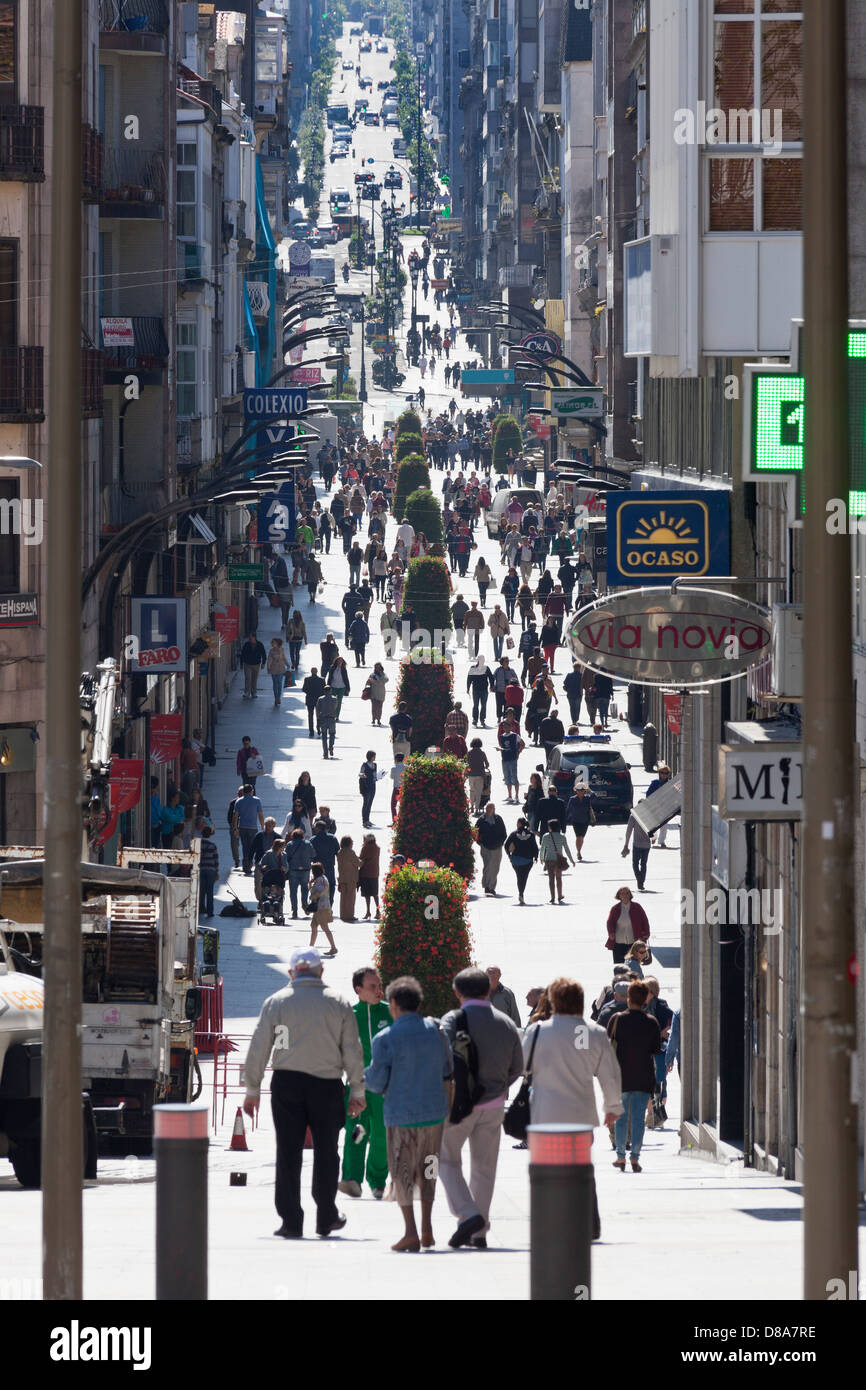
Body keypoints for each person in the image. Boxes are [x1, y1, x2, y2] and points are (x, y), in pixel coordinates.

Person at [242, 948, 364, 1239]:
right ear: (321, 971)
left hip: (287, 1084)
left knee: (288, 1152)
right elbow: (352, 1048)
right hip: (327, 1085)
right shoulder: (337, 1002)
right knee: (326, 1152)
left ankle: (291, 1221)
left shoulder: (276, 1002)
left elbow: (259, 1046)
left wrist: (252, 1088)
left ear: (291, 973)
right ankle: (326, 1217)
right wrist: (357, 1089)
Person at [523, 977, 623, 1239]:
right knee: (580, 1168)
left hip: (546, 1114)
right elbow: (609, 1074)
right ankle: (589, 1222)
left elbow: (522, 1066)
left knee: (548, 1170)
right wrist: (612, 1106)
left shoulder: (537, 1032)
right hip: (580, 1114)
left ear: (553, 1001)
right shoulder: (594, 1033)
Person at [363, 976, 454, 1252]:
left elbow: (377, 1082)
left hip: (401, 1114)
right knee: (429, 1169)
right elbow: (447, 1069)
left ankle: (411, 1232)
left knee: (402, 1170)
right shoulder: (437, 1031)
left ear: (393, 1004)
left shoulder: (385, 1038)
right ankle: (428, 1229)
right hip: (434, 1113)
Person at [438, 968, 524, 1249]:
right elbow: (518, 1067)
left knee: (445, 1157)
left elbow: (442, 1057)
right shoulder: (506, 1023)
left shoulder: (452, 1019)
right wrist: (499, 1087)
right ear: (488, 991)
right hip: (494, 1102)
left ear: (457, 993)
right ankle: (480, 1230)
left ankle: (468, 1214)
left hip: (458, 1104)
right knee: (485, 1167)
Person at [339, 967, 391, 1201]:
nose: (378, 989)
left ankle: (378, 1181)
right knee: (356, 1132)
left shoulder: (390, 1013)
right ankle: (352, 1179)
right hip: (356, 1085)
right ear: (358, 989)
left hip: (385, 1089)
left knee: (382, 1134)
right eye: (372, 986)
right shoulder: (348, 1015)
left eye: (379, 985)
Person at [608, 982, 661, 1174]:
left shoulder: (617, 1019)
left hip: (621, 1077)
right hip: (643, 1076)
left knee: (621, 1118)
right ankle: (635, 1158)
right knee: (638, 1119)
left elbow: (609, 1045)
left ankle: (621, 1155)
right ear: (645, 999)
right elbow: (655, 1049)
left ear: (629, 998)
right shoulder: (651, 1022)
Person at [605, 885, 651, 963]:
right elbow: (609, 922)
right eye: (622, 893)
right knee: (620, 966)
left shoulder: (637, 907)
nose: (624, 895)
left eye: (626, 893)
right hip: (618, 943)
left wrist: (646, 934)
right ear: (618, 896)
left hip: (634, 943)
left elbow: (645, 921)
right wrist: (611, 933)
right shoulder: (615, 908)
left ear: (630, 895)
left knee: (634, 966)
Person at [504, 817, 539, 906]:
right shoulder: (531, 835)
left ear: (519, 824)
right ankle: (521, 893)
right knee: (524, 877)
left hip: (516, 860)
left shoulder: (513, 834)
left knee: (519, 876)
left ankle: (521, 893)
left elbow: (506, 845)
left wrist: (509, 855)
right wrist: (536, 857)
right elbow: (535, 847)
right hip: (528, 860)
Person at [539, 818, 574, 904]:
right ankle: (560, 895)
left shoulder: (545, 836)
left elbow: (543, 848)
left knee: (551, 879)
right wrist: (571, 860)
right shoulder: (562, 837)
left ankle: (552, 897)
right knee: (559, 878)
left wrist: (542, 858)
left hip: (548, 860)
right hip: (558, 860)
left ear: (550, 827)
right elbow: (566, 849)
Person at [475, 803, 507, 896]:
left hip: (497, 847)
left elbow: (504, 833)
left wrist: (500, 843)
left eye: (491, 808)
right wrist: (480, 843)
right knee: (487, 866)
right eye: (488, 808)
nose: (489, 810)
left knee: (495, 867)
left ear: (494, 809)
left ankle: (491, 887)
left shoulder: (498, 819)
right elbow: (475, 832)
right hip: (485, 847)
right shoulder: (481, 820)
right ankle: (486, 886)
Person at [233, 784, 264, 874]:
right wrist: (263, 826)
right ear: (252, 791)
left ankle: (246, 866)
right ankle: (250, 864)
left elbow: (235, 816)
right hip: (252, 828)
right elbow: (260, 815)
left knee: (245, 847)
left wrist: (235, 828)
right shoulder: (257, 800)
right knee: (252, 847)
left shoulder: (239, 801)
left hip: (242, 827)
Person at [308, 863, 337, 955]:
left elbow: (320, 891)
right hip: (323, 906)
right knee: (313, 926)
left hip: (321, 907)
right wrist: (310, 884)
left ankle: (333, 947)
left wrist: (314, 896)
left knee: (325, 928)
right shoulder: (324, 878)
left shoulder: (319, 880)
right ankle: (311, 947)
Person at [565, 783, 596, 861]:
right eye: (579, 790)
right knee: (578, 837)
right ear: (576, 791)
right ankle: (578, 852)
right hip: (575, 820)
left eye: (582, 790)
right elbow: (568, 810)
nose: (581, 792)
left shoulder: (587, 798)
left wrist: (589, 790)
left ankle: (579, 850)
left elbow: (595, 796)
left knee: (582, 837)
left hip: (585, 820)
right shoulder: (572, 799)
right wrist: (565, 820)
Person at [622, 811, 653, 890]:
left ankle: (639, 879)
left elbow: (628, 831)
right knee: (644, 864)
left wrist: (626, 844)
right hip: (647, 845)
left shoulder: (633, 816)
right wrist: (654, 838)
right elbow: (654, 829)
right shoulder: (649, 816)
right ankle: (641, 881)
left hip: (637, 844)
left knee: (635, 863)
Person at [252, 816, 280, 900]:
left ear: (273, 826)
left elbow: (281, 852)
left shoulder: (277, 837)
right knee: (258, 883)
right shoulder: (259, 835)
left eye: (270, 826)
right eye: (266, 825)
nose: (268, 827)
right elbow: (252, 848)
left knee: (270, 884)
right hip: (259, 862)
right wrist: (249, 860)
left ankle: (266, 899)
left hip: (272, 864)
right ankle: (260, 899)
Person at [646, 763, 673, 847]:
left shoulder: (670, 784)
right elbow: (648, 794)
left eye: (666, 773)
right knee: (654, 824)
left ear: (668, 774)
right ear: (659, 773)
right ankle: (654, 837)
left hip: (665, 807)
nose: (664, 775)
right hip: (655, 806)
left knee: (664, 825)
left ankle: (662, 842)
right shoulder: (655, 783)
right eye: (662, 772)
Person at [497, 718, 523, 805]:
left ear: (510, 727)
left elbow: (522, 743)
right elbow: (503, 747)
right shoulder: (502, 737)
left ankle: (516, 796)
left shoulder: (515, 735)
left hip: (512, 759)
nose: (505, 728)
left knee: (514, 777)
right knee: (507, 777)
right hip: (505, 759)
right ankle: (510, 795)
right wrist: (500, 749)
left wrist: (518, 752)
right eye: (504, 727)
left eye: (507, 726)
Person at [337, 835, 361, 922]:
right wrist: (362, 860)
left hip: (342, 877)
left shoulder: (340, 852)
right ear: (349, 843)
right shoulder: (350, 852)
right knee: (350, 898)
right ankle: (350, 915)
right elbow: (358, 863)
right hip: (351, 878)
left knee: (343, 897)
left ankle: (343, 914)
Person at [467, 654, 494, 726]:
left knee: (483, 705)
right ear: (478, 660)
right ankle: (475, 719)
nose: (482, 661)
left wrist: (492, 686)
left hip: (484, 690)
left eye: (483, 660)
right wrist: (468, 688)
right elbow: (469, 678)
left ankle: (482, 719)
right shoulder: (473, 668)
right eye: (481, 660)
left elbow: (491, 677)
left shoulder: (486, 668)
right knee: (475, 705)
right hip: (475, 690)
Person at [198, 824, 219, 917]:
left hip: (201, 869)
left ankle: (201, 909)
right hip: (211, 871)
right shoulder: (212, 846)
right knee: (210, 892)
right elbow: (216, 860)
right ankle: (210, 912)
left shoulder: (198, 845)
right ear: (210, 835)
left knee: (201, 891)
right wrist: (216, 872)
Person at [358, 833, 380, 919]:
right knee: (375, 894)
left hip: (365, 872)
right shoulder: (377, 848)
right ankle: (378, 911)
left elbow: (361, 858)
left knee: (367, 894)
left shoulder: (365, 848)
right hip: (374, 873)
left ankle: (368, 912)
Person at [359, 749, 383, 827]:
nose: (375, 758)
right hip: (366, 786)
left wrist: (379, 776)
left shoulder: (375, 765)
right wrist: (363, 775)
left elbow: (375, 775)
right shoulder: (364, 765)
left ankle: (368, 819)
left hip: (373, 786)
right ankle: (364, 820)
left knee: (370, 804)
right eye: (374, 756)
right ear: (370, 757)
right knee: (365, 803)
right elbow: (360, 774)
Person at [240, 631, 267, 699]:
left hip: (256, 664)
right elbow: (242, 654)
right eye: (249, 637)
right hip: (247, 664)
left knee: (254, 679)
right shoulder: (246, 644)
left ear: (254, 637)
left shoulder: (260, 644)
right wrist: (241, 664)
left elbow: (263, 654)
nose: (250, 638)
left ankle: (253, 692)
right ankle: (247, 692)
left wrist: (263, 663)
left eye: (251, 637)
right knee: (248, 678)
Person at [302, 668, 326, 738]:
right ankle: (318, 728)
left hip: (310, 699)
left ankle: (311, 731)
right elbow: (324, 690)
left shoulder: (307, 679)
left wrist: (309, 693)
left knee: (310, 715)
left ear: (311, 672)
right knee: (319, 715)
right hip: (318, 700)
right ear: (317, 672)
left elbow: (304, 689)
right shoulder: (322, 680)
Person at [267, 636, 290, 706]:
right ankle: (275, 698)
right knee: (275, 684)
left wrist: (288, 664)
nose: (272, 644)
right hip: (273, 669)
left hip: (281, 668)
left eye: (273, 643)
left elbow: (284, 658)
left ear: (277, 643)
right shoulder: (271, 651)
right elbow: (269, 659)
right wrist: (268, 667)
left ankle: (278, 698)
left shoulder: (282, 650)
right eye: (272, 643)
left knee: (279, 683)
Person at [316, 687, 338, 759]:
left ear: (324, 691)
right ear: (330, 691)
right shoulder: (334, 698)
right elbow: (335, 707)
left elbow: (317, 710)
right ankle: (331, 746)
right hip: (331, 719)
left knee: (324, 737)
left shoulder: (320, 699)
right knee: (332, 734)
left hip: (323, 719)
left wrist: (318, 721)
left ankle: (325, 753)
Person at [364, 662, 388, 726]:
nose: (377, 668)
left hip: (381, 693)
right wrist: (369, 682)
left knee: (379, 707)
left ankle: (379, 719)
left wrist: (379, 678)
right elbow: (368, 683)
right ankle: (373, 719)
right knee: (374, 707)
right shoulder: (372, 675)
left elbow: (386, 680)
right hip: (373, 693)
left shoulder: (383, 674)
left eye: (378, 667)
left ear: (381, 667)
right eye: (376, 667)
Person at [563, 661, 584, 725]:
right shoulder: (581, 675)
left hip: (570, 694)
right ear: (579, 668)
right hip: (578, 694)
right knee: (577, 707)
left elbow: (565, 683)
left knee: (572, 707)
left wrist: (567, 689)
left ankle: (574, 721)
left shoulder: (569, 675)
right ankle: (576, 719)